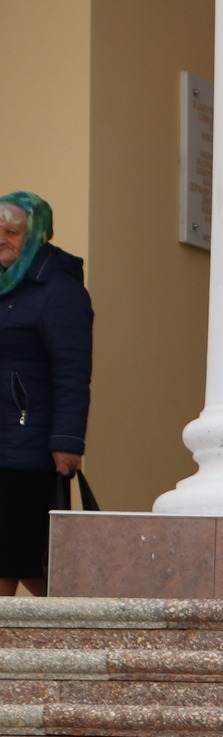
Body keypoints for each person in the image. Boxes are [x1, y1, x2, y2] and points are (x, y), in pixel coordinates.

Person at [0, 192, 92, 596]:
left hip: (31, 448)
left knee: (26, 556)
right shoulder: (4, 285)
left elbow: (72, 372)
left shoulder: (59, 290)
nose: (1, 238)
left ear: (35, 234)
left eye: (11, 231)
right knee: (13, 556)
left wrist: (67, 442)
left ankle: (62, 635)